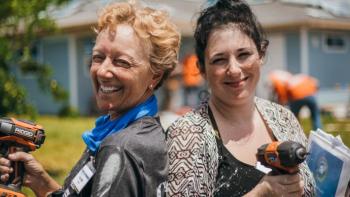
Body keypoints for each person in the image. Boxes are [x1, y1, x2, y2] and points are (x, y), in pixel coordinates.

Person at [0, 1, 180, 196]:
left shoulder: (120, 150)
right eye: (98, 57)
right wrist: (42, 183)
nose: (103, 71)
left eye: (121, 62)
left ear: (155, 76)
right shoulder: (142, 134)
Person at [166, 0, 315, 196]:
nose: (234, 70)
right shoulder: (187, 134)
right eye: (219, 60)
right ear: (202, 69)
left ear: (261, 54)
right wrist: (263, 192)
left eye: (243, 55)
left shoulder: (283, 118)